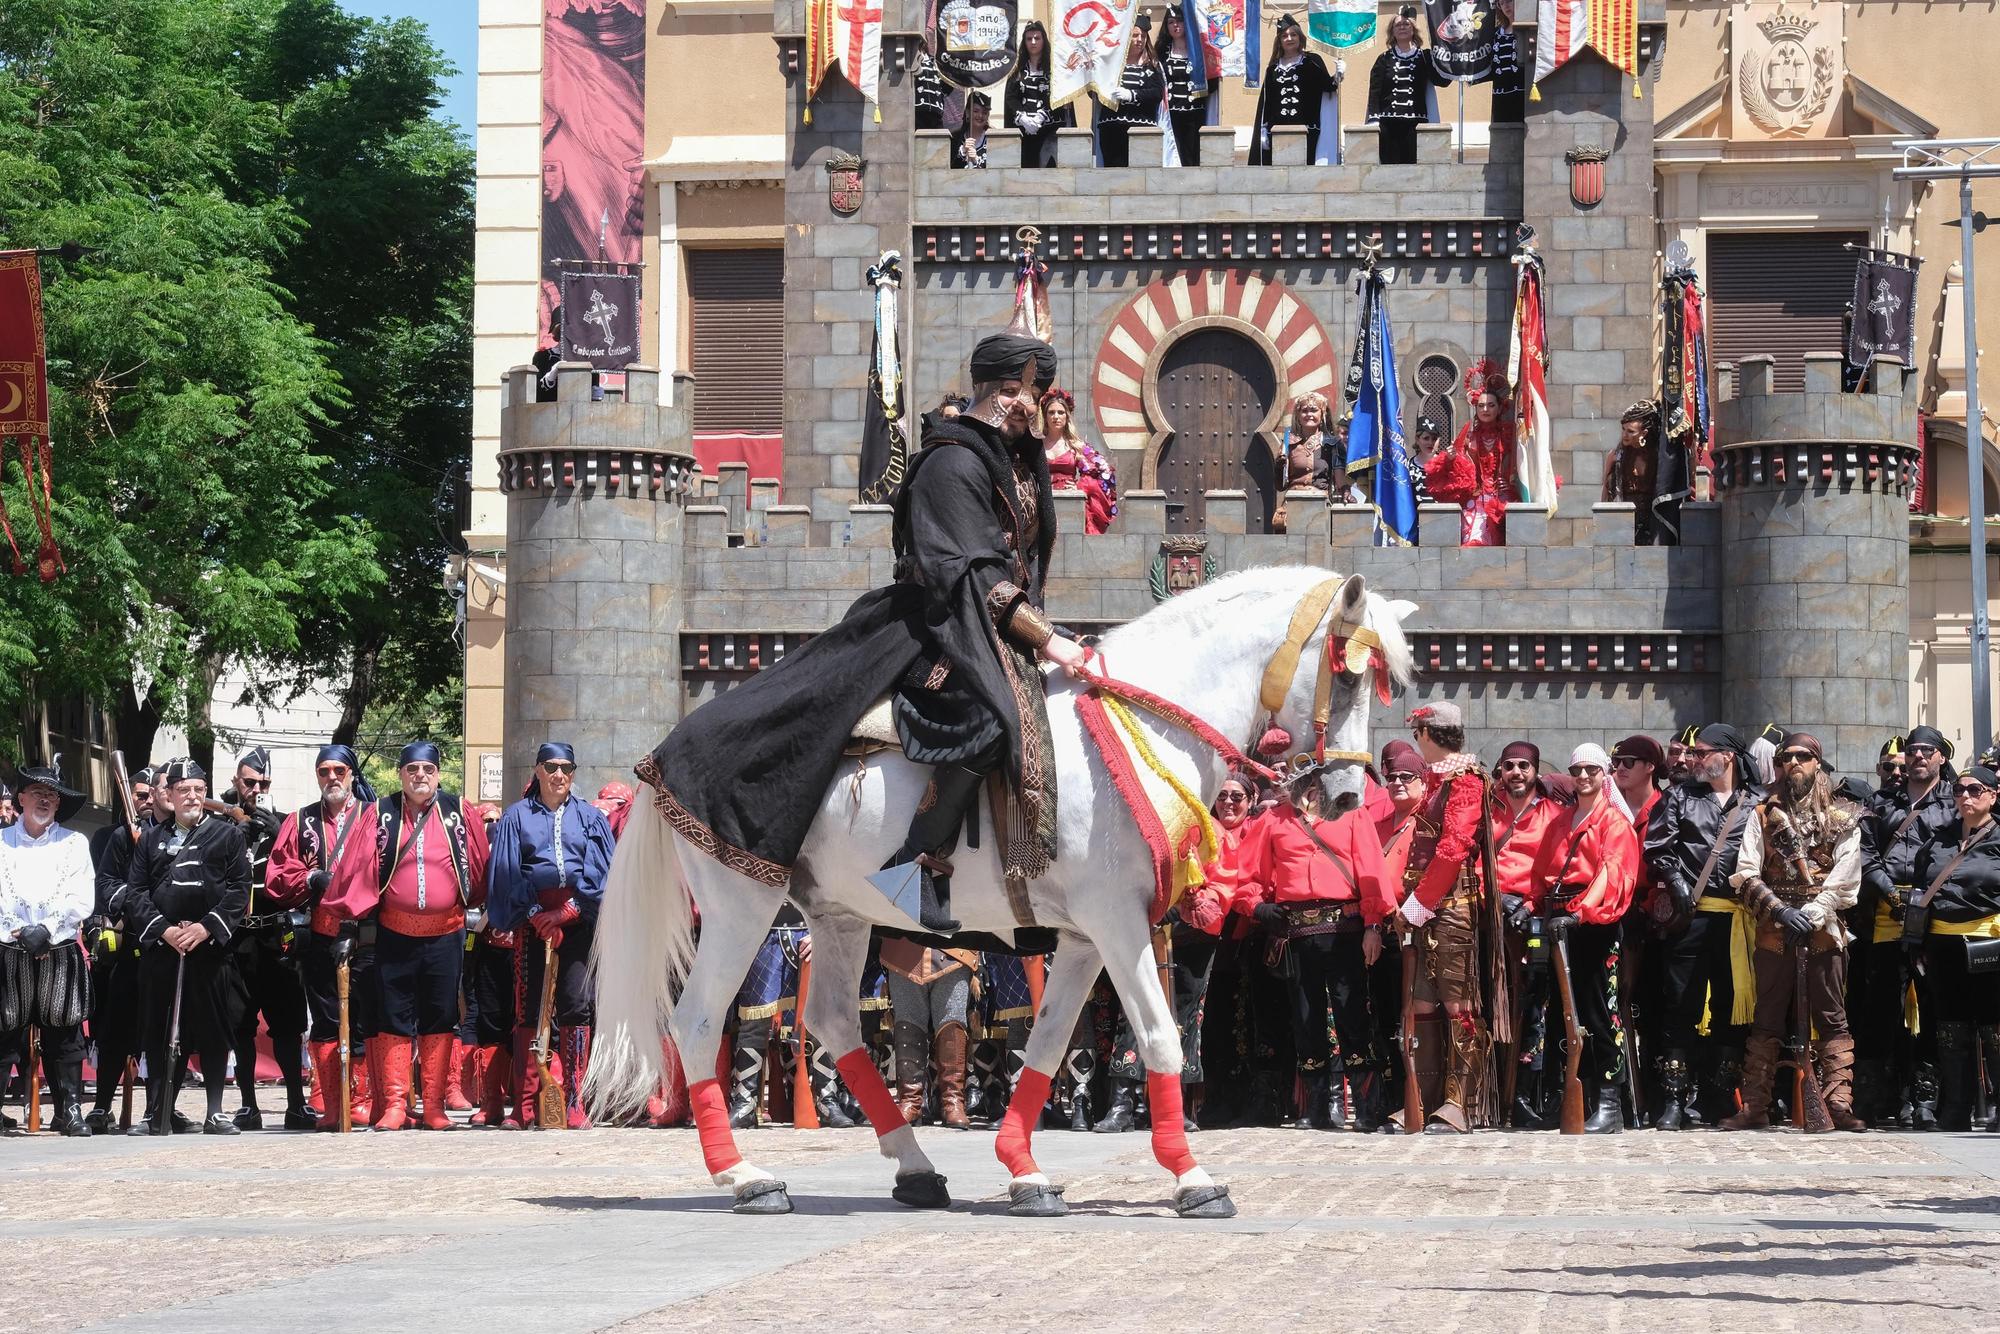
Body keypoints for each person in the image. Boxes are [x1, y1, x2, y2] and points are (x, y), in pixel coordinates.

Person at [642, 334, 1100, 952]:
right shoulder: (952, 462)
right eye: (1020, 391)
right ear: (993, 390)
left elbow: (1022, 560)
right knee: (987, 715)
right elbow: (969, 571)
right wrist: (1049, 641)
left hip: (991, 627)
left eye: (1038, 392)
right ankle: (918, 862)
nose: (1030, 405)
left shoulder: (1015, 461)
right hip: (936, 623)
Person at [320, 742, 491, 1132]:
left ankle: (432, 1105)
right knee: (393, 1017)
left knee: (441, 1015)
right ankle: (396, 1103)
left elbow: (480, 864)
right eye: (412, 769)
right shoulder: (380, 813)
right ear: (400, 773)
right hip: (394, 933)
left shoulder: (460, 812)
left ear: (438, 774)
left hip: (446, 934)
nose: (420, 776)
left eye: (428, 769)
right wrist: (348, 926)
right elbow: (357, 870)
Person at [1722, 733, 1865, 1131]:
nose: (1795, 763)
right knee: (1767, 1017)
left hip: (1824, 927)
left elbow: (1845, 875)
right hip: (1774, 926)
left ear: (1817, 762)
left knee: (1832, 1017)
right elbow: (1746, 872)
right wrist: (1782, 911)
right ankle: (1755, 1106)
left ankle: (1837, 1103)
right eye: (1787, 757)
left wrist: (1816, 911)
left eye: (1803, 756)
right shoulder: (1762, 814)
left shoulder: (1843, 815)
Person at [1643, 724, 1764, 1130]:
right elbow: (1658, 846)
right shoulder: (1680, 796)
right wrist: (1677, 885)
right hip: (1690, 916)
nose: (1691, 759)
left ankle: (1719, 1097)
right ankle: (1675, 1100)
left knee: (1734, 1007)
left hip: (1739, 919)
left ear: (1727, 756)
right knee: (1682, 1005)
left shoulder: (1758, 803)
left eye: (1701, 752)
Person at [488, 741, 611, 1130]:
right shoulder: (515, 818)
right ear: (538, 770)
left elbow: (602, 871)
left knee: (577, 1007)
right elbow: (508, 871)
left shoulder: (591, 818)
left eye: (567, 768)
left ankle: (575, 1102)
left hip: (579, 921)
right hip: (533, 921)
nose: (559, 775)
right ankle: (523, 1107)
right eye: (552, 767)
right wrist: (538, 913)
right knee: (528, 1010)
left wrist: (569, 910)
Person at [126, 759, 251, 1135]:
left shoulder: (227, 836)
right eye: (185, 790)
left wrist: (205, 928)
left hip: (208, 950)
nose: (193, 796)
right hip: (164, 949)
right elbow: (135, 892)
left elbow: (238, 890)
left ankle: (214, 1110)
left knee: (214, 1030)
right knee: (159, 1031)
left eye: (199, 789)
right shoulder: (150, 838)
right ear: (169, 794)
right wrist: (164, 930)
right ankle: (158, 1110)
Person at [266, 744, 381, 1131]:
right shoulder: (300, 821)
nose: (332, 778)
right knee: (326, 1020)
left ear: (351, 774)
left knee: (365, 1017)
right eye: (324, 772)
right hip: (319, 932)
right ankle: (332, 1101)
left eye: (339, 771)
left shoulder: (375, 815)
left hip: (368, 934)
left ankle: (363, 1100)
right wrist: (311, 877)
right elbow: (277, 874)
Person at [1530, 745, 1641, 1133]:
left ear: (1604, 773)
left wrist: (1581, 912)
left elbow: (1614, 873)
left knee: (1599, 1011)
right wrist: (1537, 907)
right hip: (1558, 921)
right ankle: (1572, 1095)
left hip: (1595, 923)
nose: (1582, 776)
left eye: (1591, 769)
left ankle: (1610, 1104)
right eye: (1576, 769)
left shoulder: (1614, 823)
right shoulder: (1560, 821)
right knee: (1562, 1015)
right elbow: (1542, 870)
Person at [1855, 726, 1956, 1128]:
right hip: (1885, 912)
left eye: (1926, 751)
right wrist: (1890, 892)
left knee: (1931, 1008)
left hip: (1934, 915)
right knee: (1879, 1008)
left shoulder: (1952, 804)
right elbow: (1865, 853)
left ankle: (1926, 1098)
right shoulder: (1880, 803)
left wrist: (1924, 897)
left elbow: (1956, 852)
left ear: (1941, 758)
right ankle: (1875, 1098)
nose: (1918, 757)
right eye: (1913, 750)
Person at [1400, 702, 1493, 1131]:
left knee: (1458, 1004)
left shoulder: (1465, 780)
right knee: (1421, 1002)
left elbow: (1454, 847)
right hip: (1426, 909)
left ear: (1424, 735)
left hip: (1451, 908)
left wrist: (1418, 903)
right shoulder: (1441, 781)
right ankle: (1424, 1098)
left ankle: (1460, 1102)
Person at [0, 759, 99, 1136]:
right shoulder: (1, 842)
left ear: (58, 805)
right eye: (37, 793)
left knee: (65, 1032)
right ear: (21, 798)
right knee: (4, 1032)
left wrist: (48, 929)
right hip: (8, 949)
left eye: (51, 796)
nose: (44, 800)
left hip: (58, 950)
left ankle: (68, 1110)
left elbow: (81, 899)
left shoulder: (75, 844)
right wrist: (18, 931)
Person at [219, 747, 311, 1131]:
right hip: (237, 935)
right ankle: (247, 1105)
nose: (257, 789)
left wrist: (278, 838)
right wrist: (230, 838)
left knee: (287, 1023)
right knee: (240, 1024)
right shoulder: (219, 822)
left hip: (275, 932)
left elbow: (306, 870)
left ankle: (295, 1103)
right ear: (236, 783)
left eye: (264, 783)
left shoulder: (288, 823)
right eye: (249, 782)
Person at [1908, 765, 2000, 1131]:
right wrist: (1916, 941)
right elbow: (1920, 888)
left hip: (1989, 941)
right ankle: (1956, 1109)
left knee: (1994, 1028)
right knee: (1951, 1027)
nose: (1965, 796)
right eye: (1959, 790)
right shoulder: (1940, 840)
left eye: (1975, 790)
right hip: (1942, 943)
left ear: (1993, 795)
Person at [1488, 742, 1568, 1128]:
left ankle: (1528, 1094)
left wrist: (1530, 906)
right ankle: (1492, 1094)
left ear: (1536, 770)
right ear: (1500, 771)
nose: (1516, 773)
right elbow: (1471, 860)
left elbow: (1557, 870)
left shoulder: (1555, 815)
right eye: (1509, 766)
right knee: (1492, 1005)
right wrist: (1494, 901)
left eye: (1523, 766)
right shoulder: (1485, 811)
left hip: (1533, 915)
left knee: (1535, 1006)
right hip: (1491, 916)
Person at [881, 938, 976, 1129]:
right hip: (903, 946)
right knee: (908, 1023)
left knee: (952, 1022)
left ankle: (953, 1101)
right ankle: (910, 1101)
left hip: (955, 947)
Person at [1424, 360, 1512, 546]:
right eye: (1481, 406)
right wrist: (1450, 459)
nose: (1485, 410)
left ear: (1499, 408)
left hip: (1502, 499)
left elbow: (1520, 466)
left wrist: (1511, 483)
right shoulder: (1467, 437)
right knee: (1473, 543)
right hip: (1475, 500)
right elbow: (1457, 472)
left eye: (1490, 405)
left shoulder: (1509, 437)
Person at [1249, 12, 1340, 166]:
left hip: (1307, 130)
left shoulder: (1312, 61)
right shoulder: (1273, 68)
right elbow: (1266, 103)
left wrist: (1338, 75)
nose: (1289, 39)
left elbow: (1328, 86)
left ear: (1300, 37)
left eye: (1293, 35)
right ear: (1280, 41)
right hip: (1277, 131)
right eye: (1284, 36)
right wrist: (1263, 129)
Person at [1367, 4, 1445, 165]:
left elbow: (1441, 81)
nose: (1402, 27)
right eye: (1398, 25)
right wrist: (1373, 119)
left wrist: (1451, 59)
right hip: (1388, 123)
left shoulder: (1425, 57)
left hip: (1416, 123)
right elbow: (1375, 91)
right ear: (1392, 31)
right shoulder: (1384, 59)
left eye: (1406, 24)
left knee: (1415, 168)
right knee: (1390, 168)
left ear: (1413, 29)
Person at [1272, 392, 1353, 532]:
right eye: (1304, 411)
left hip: (1319, 506)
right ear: (1298, 415)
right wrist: (1279, 466)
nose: (1309, 414)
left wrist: (1346, 491)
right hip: (1292, 507)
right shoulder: (1288, 444)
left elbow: (1340, 478)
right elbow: (1280, 485)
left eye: (1314, 410)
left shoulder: (1332, 444)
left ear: (1322, 415)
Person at [1041, 387, 1118, 533]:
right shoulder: (1035, 446)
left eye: (1060, 412)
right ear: (1045, 416)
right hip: (1042, 502)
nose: (1056, 416)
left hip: (1069, 503)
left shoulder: (1076, 446)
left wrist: (1081, 487)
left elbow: (1104, 471)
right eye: (1051, 412)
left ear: (1067, 416)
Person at [1096, 18, 1164, 168]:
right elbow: (1094, 93)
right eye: (1135, 35)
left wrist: (1132, 95)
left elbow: (1157, 93)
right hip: (1112, 126)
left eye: (1143, 36)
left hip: (1142, 127)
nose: (1140, 40)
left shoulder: (1152, 65)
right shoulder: (1110, 63)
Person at [1004, 20, 1072, 168]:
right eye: (1029, 39)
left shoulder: (1055, 69)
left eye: (1037, 38)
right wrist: (1021, 117)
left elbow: (1061, 95)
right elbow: (1010, 97)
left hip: (1051, 131)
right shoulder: (1017, 69)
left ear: (1043, 40)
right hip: (1026, 130)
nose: (1033, 42)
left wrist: (1042, 115)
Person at [1605, 400, 1670, 544]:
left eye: (1630, 431)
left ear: (1644, 433)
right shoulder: (1616, 456)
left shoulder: (1657, 456)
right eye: (1623, 429)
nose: (1625, 435)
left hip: (1653, 521)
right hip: (1624, 520)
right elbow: (1605, 489)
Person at [1156, 6, 1215, 165]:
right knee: (1173, 153)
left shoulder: (1199, 51)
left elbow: (1211, 81)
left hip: (1194, 112)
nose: (1176, 25)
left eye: (1180, 21)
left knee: (1192, 154)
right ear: (1166, 26)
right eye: (1171, 22)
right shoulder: (1161, 52)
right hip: (1170, 114)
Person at [913, 44, 963, 133]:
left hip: (936, 111)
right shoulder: (912, 60)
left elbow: (947, 84)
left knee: (938, 140)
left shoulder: (936, 61)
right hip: (917, 111)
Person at [951, 91, 991, 170]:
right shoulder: (955, 138)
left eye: (984, 113)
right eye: (976, 111)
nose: (980, 115)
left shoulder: (993, 138)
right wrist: (963, 151)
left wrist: (976, 161)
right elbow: (948, 168)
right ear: (968, 113)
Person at [1409, 416, 1444, 505]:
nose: (1430, 443)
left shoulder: (1446, 465)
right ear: (1417, 440)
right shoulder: (1407, 466)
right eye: (1426, 438)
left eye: (1434, 439)